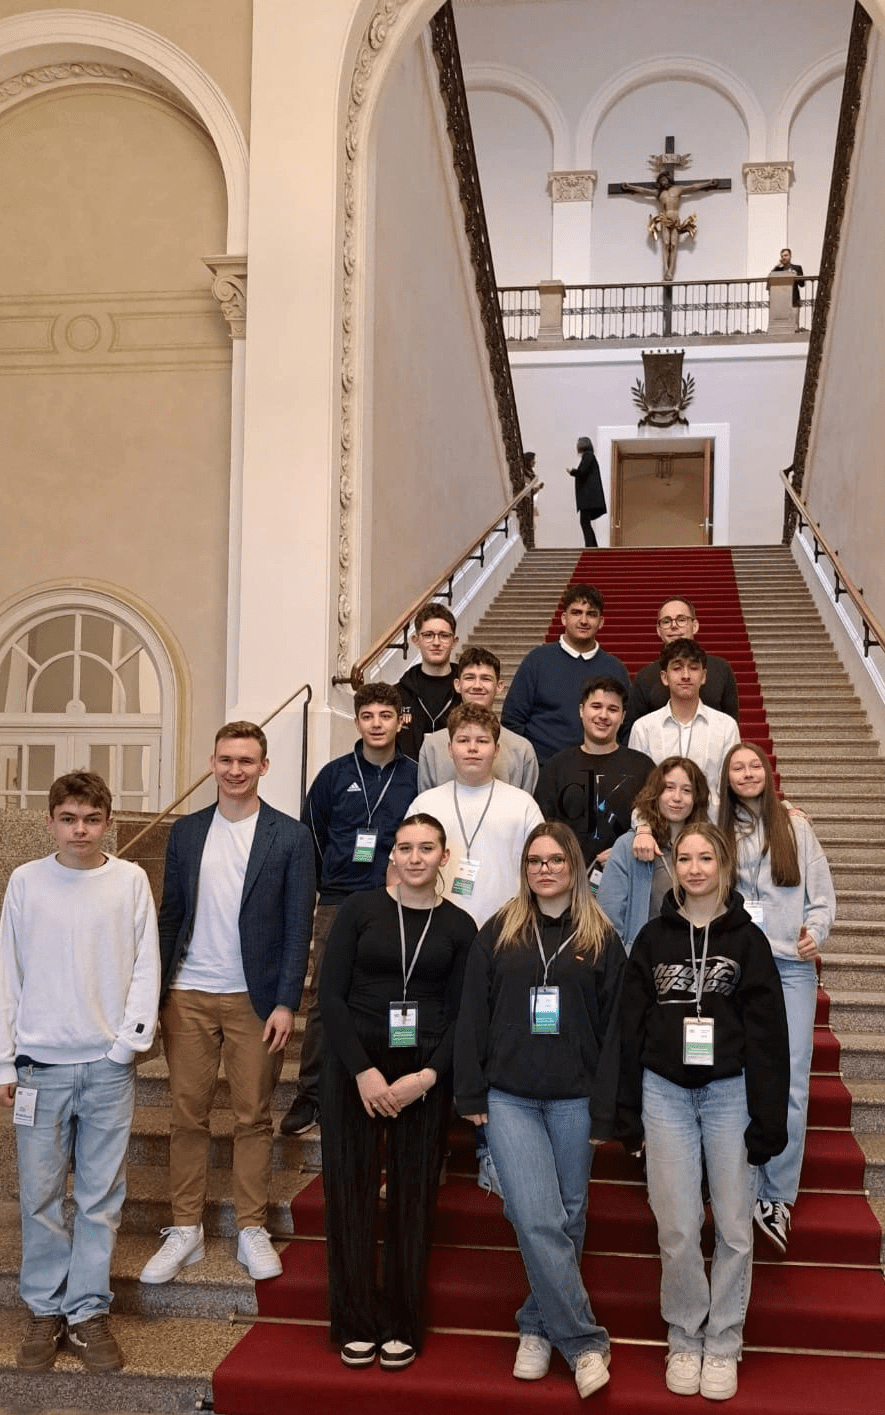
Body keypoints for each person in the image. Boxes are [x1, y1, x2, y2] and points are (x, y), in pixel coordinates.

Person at [618, 822, 789, 1403]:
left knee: (735, 1226)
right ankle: (686, 1333)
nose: (694, 869)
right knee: (678, 1225)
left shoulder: (748, 941)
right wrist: (626, 1109)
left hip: (729, 1092)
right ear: (674, 866)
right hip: (664, 1091)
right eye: (685, 858)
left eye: (705, 858)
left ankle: (724, 1339)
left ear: (723, 864)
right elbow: (630, 1027)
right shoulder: (652, 938)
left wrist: (768, 1117)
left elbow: (769, 1037)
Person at [139, 722, 315, 1286]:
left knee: (252, 1117)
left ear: (264, 766)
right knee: (186, 1115)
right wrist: (155, 994)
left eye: (246, 760)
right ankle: (185, 1228)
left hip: (254, 999)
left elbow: (298, 927)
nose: (235, 770)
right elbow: (170, 915)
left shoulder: (290, 837)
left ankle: (251, 1226)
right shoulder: (187, 832)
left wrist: (286, 1002)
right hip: (187, 995)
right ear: (212, 764)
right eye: (226, 760)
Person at [455, 822, 625, 1400]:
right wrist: (470, 1094)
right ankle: (584, 1341)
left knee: (569, 1215)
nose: (544, 869)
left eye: (555, 860)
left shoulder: (602, 937)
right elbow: (472, 1014)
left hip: (576, 1097)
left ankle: (535, 1325)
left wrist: (608, 1109)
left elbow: (616, 1031)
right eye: (534, 860)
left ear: (574, 866)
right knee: (534, 1216)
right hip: (510, 1097)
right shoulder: (499, 930)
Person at [0, 770, 160, 1374]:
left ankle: (87, 1310)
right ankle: (45, 1308)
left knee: (99, 1198)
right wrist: (5, 1058)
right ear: (50, 822)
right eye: (68, 819)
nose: (80, 830)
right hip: (39, 1068)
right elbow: (8, 972)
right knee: (40, 1196)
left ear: (108, 823)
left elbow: (146, 965)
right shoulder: (26, 882)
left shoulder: (130, 881)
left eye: (92, 819)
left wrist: (125, 1047)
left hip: (106, 1068)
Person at [319, 814, 476, 1370]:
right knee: (350, 1191)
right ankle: (354, 1321)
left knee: (413, 1197)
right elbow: (330, 997)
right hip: (355, 1067)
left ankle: (402, 1323)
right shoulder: (359, 910)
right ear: (392, 854)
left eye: (426, 848)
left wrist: (429, 1077)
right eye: (405, 848)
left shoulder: (460, 925)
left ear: (443, 856)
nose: (414, 858)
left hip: (422, 1072)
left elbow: (463, 1015)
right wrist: (362, 1071)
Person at [280, 683, 418, 1136]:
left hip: (396, 901)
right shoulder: (334, 775)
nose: (376, 724)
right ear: (357, 721)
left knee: (394, 993)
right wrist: (326, 884)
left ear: (400, 721)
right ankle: (312, 1094)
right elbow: (312, 835)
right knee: (325, 997)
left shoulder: (417, 776)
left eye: (385, 715)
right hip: (339, 899)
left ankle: (389, 1087)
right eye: (368, 716)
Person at [718, 742, 835, 1254]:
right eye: (736, 767)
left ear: (767, 773)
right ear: (726, 778)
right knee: (734, 1075)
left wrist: (816, 933)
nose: (747, 773)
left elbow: (822, 898)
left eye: (754, 766)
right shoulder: (718, 828)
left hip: (790, 969)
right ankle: (738, 1177)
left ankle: (776, 1194)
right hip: (735, 970)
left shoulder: (795, 828)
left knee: (791, 1082)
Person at [407, 704, 543, 928]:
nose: (472, 748)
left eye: (482, 741)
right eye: (463, 740)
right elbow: (402, 869)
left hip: (506, 927)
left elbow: (539, 871)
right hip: (436, 928)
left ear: (496, 749)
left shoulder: (523, 805)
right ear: (450, 749)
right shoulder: (425, 805)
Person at [534, 674, 653, 875]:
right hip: (567, 878)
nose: (603, 715)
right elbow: (543, 829)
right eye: (596, 706)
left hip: (628, 876)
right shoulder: (556, 767)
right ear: (582, 710)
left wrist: (622, 852)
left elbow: (656, 825)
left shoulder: (643, 767)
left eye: (612, 709)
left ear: (623, 716)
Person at [502, 583, 630, 767]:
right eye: (576, 613)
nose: (583, 620)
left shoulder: (615, 668)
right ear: (564, 618)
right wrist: (530, 763)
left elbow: (626, 727)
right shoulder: (537, 660)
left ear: (601, 622)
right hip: (543, 768)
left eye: (591, 614)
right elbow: (512, 720)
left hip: (601, 768)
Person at [597, 756, 710, 951]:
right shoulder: (627, 846)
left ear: (697, 798)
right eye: (669, 788)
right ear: (656, 793)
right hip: (642, 959)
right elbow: (609, 919)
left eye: (687, 790)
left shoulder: (707, 846)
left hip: (695, 957)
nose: (677, 797)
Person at [628, 638, 739, 822]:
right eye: (677, 668)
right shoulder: (644, 728)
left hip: (710, 826)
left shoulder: (726, 727)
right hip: (658, 828)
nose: (686, 675)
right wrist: (643, 828)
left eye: (693, 668)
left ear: (703, 676)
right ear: (664, 677)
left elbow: (729, 789)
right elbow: (639, 790)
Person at [418, 646, 538, 793]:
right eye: (469, 678)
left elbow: (526, 803)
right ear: (457, 685)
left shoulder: (522, 750)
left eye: (486, 678)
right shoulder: (432, 747)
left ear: (499, 686)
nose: (477, 686)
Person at [622, 597, 739, 740]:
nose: (674, 626)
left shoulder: (721, 669)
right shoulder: (644, 676)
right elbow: (632, 731)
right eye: (666, 621)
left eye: (681, 619)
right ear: (658, 630)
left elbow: (731, 722)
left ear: (695, 626)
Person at [619, 170, 720, 282]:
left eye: (664, 180)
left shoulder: (678, 189)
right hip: (665, 219)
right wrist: (630, 187)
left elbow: (693, 187)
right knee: (666, 244)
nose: (663, 182)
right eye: (661, 181)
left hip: (675, 219)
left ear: (668, 180)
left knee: (674, 245)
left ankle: (671, 270)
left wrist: (708, 184)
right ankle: (665, 269)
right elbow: (644, 191)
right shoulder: (659, 193)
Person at [397, 602, 460, 761]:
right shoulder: (397, 694)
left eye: (444, 635)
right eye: (428, 635)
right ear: (415, 640)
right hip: (411, 774)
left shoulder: (467, 691)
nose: (436, 642)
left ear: (454, 641)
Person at [568, 437, 606, 547]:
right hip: (589, 497)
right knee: (585, 522)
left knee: (584, 522)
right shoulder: (589, 456)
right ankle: (592, 545)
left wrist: (572, 471)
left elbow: (582, 472)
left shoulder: (588, 456)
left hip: (588, 497)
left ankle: (590, 546)